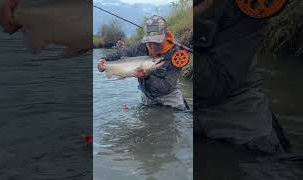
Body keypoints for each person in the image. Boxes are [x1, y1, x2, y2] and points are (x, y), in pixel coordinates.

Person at [194, 0, 290, 154]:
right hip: (193, 95)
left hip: (233, 96)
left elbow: (219, 82)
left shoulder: (251, 7)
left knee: (266, 159)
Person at [97, 15, 189, 111]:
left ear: (166, 36)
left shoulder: (176, 55)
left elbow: (166, 87)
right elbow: (123, 53)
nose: (152, 45)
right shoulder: (140, 46)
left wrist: (147, 77)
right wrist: (105, 59)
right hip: (147, 95)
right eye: (150, 41)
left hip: (169, 95)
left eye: (157, 41)